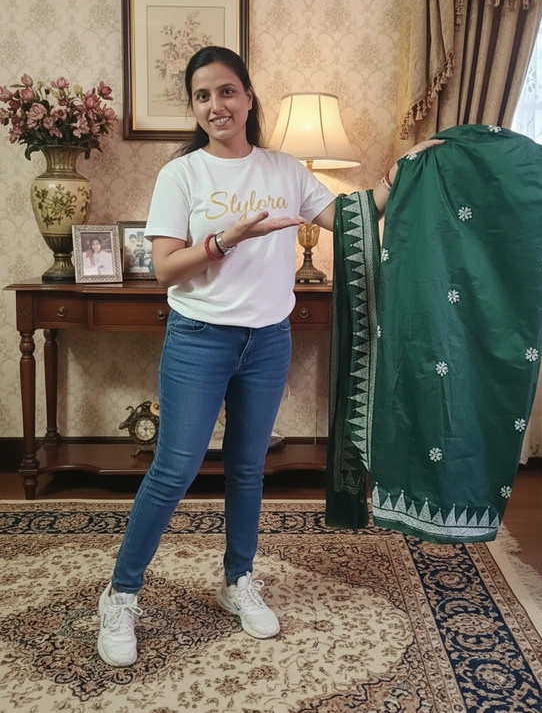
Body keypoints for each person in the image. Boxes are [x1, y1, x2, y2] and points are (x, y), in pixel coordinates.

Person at [97, 45, 441, 667]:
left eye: (226, 91)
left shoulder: (285, 171)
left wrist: (400, 176)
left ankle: (238, 580)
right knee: (174, 470)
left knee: (248, 469)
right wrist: (227, 239)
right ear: (194, 107)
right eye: (202, 96)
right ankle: (121, 595)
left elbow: (354, 217)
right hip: (199, 338)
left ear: (249, 96)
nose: (216, 105)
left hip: (267, 341)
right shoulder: (182, 175)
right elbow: (166, 270)